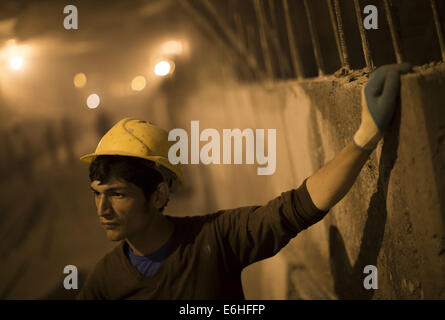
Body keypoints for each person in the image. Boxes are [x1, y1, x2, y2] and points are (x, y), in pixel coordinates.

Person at [77, 63, 411, 299]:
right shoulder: (104, 282)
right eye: (97, 194)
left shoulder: (213, 240)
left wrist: (365, 137)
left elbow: (299, 206)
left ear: (158, 195)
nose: (102, 209)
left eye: (117, 194)